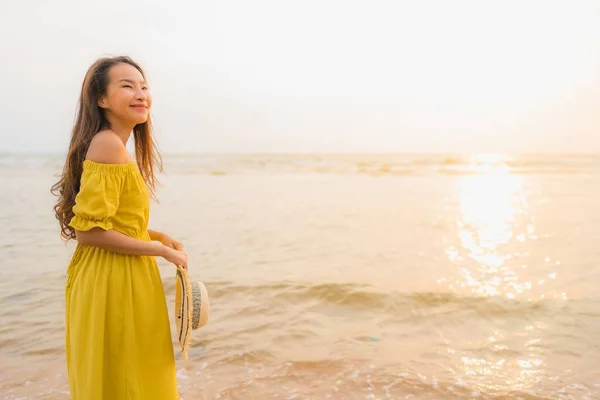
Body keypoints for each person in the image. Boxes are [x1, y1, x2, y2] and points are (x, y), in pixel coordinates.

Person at [51, 56, 187, 399]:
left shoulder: (115, 145)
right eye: (127, 86)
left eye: (144, 87)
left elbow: (113, 222)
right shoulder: (108, 143)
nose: (141, 94)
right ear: (102, 99)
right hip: (112, 279)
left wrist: (156, 235)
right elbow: (89, 232)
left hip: (123, 273)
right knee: (126, 380)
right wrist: (159, 250)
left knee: (133, 375)